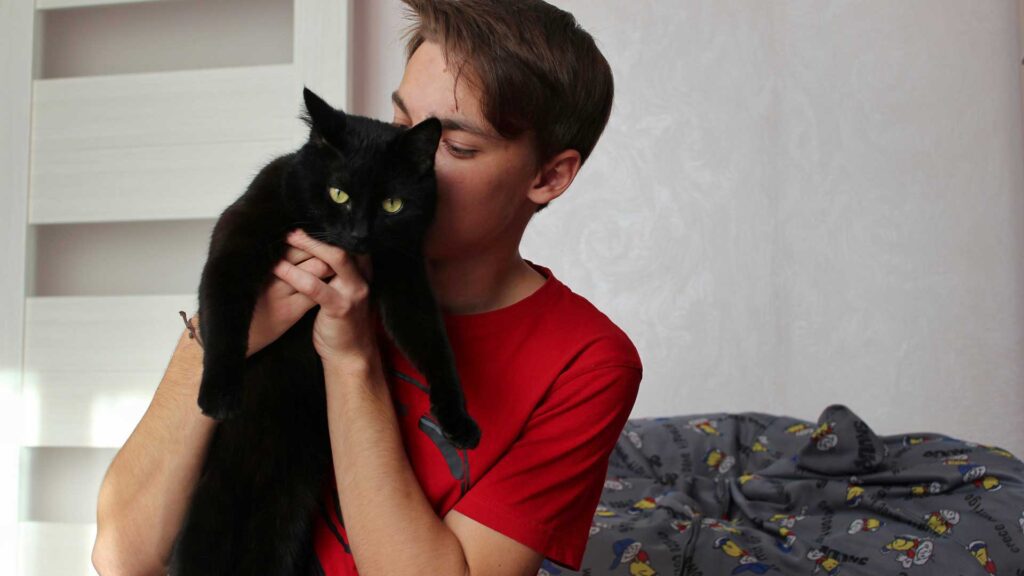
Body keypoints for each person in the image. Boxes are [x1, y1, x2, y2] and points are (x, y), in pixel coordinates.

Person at [92, 0, 642, 574]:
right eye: (401, 125)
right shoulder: (307, 245)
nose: (402, 161)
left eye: (451, 146)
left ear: (548, 176)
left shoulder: (588, 364)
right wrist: (214, 337)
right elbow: (122, 555)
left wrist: (352, 361)